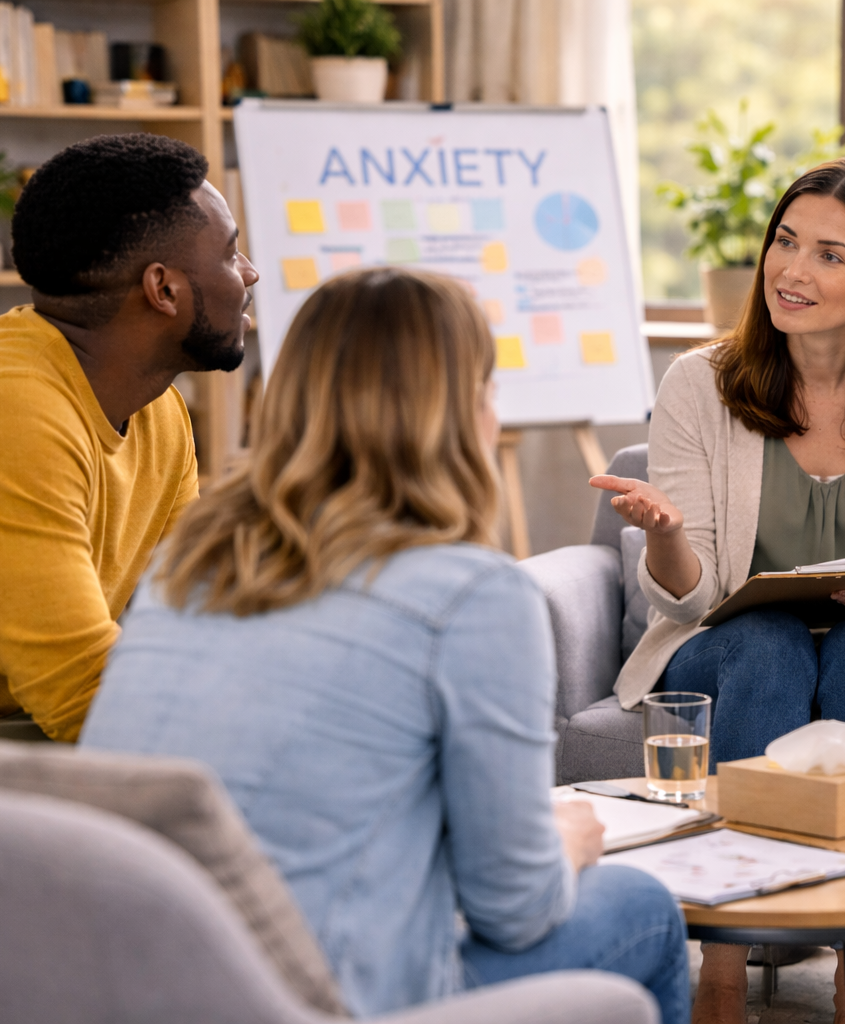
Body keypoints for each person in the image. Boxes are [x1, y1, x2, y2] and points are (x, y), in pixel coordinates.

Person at [80, 268, 690, 1023]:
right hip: (323, 997)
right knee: (642, 905)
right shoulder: (469, 594)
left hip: (136, 981)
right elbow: (516, 909)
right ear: (463, 408)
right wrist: (566, 842)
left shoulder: (192, 560)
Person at [592, 156, 845, 1024]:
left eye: (829, 254)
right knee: (769, 647)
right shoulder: (700, 382)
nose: (791, 271)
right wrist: (665, 539)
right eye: (785, 242)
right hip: (735, 642)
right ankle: (724, 973)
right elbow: (690, 604)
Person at [0, 133, 258, 742]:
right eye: (230, 255)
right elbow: (80, 694)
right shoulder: (1, 408)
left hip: (27, 734)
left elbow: (191, 618)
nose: (249, 274)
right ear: (163, 289)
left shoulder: (159, 411)